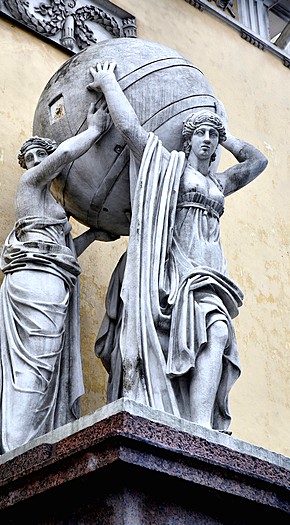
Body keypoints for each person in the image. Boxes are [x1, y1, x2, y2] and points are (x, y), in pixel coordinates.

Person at [0, 101, 115, 484]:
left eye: (40, 155)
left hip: (40, 276)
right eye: (31, 157)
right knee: (36, 369)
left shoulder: (52, 209)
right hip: (38, 283)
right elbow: (68, 151)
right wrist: (96, 129)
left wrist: (92, 236)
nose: (36, 161)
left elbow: (61, 252)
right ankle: (14, 453)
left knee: (18, 370)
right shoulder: (30, 186)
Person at [90, 62, 268, 431]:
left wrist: (227, 132)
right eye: (201, 133)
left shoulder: (221, 183)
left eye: (212, 136)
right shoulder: (168, 168)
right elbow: (131, 130)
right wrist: (108, 83)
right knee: (195, 336)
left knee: (217, 333)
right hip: (174, 266)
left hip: (211, 272)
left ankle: (201, 427)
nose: (208, 139)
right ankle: (190, 421)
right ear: (188, 140)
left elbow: (258, 161)